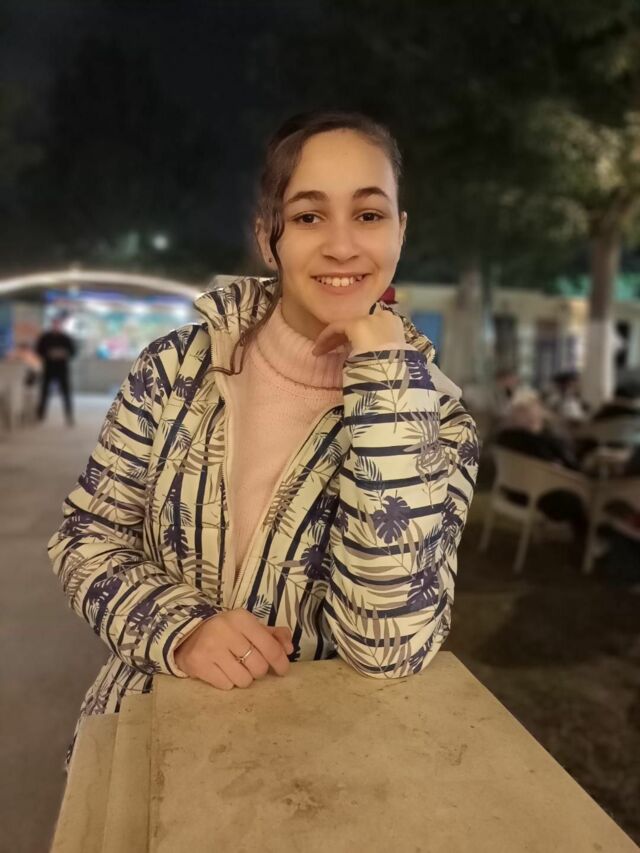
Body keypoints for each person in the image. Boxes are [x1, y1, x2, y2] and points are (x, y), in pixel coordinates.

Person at [48, 111, 479, 762]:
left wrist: (387, 380)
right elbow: (86, 536)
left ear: (400, 230)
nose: (342, 246)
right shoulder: (176, 369)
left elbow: (390, 645)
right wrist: (182, 628)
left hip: (313, 761)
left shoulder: (437, 420)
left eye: (368, 214)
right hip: (148, 735)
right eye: (308, 216)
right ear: (265, 236)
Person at [495, 394, 588, 538]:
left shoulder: (502, 439)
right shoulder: (537, 442)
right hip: (540, 496)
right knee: (582, 496)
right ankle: (587, 540)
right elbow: (563, 467)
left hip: (512, 492)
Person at [35, 315, 77, 426]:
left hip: (62, 368)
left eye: (58, 324)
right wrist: (48, 354)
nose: (56, 326)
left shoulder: (66, 338)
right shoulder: (45, 337)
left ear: (60, 325)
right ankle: (40, 414)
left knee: (66, 393)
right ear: (52, 324)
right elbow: (38, 350)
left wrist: (64, 354)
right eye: (55, 324)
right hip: (49, 367)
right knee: (44, 392)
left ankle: (69, 415)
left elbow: (73, 352)